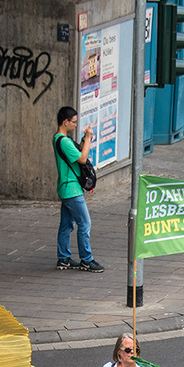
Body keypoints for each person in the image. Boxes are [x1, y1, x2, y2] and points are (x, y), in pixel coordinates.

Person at [53, 106, 103, 272]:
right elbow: (82, 159)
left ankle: (64, 258)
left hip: (65, 188)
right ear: (65, 122)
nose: (75, 125)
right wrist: (88, 138)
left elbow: (78, 151)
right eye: (73, 122)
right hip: (72, 190)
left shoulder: (58, 139)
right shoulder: (64, 141)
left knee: (66, 225)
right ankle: (86, 260)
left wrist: (83, 140)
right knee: (84, 223)